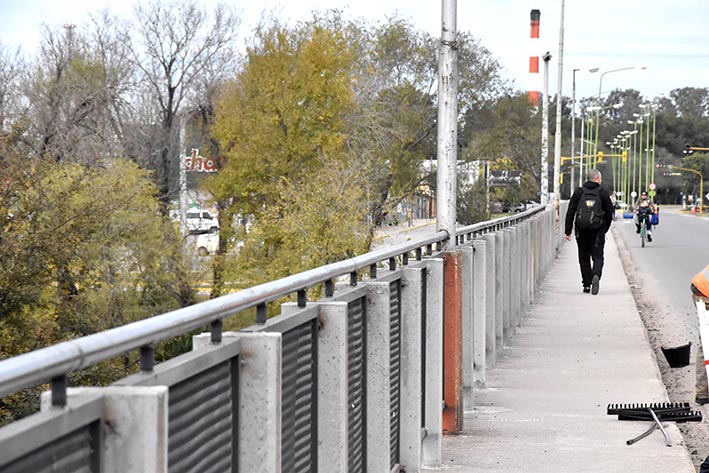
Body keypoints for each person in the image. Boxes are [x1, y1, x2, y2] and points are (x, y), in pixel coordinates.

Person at [564, 169, 615, 295]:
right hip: (598, 230)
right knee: (598, 256)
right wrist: (605, 228)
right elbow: (609, 213)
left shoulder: (579, 192)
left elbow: (570, 211)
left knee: (583, 257)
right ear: (597, 179)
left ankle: (587, 284)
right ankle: (596, 275)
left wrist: (568, 230)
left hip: (581, 231)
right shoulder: (602, 193)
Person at [691, 264, 709, 405]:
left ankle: (703, 392)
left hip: (701, 288)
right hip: (705, 294)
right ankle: (703, 392)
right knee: (707, 341)